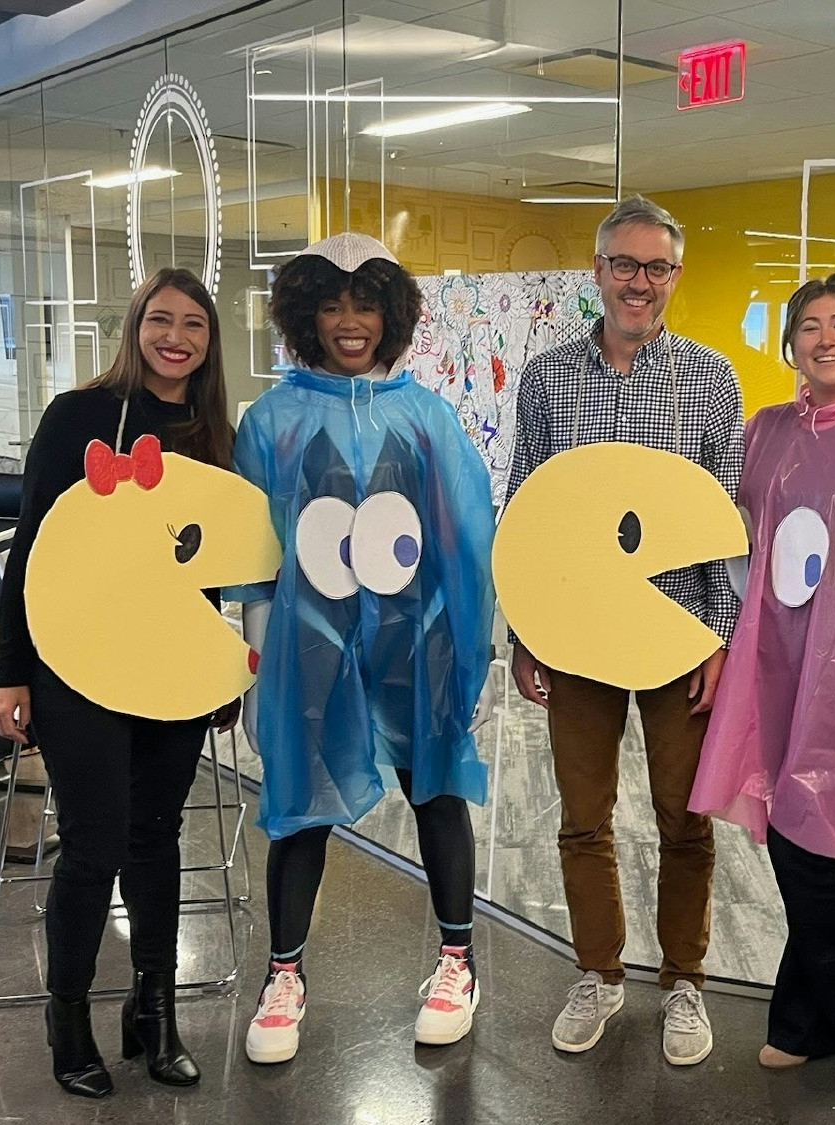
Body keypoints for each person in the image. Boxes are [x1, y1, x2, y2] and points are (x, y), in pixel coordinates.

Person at [229, 233, 495, 1065]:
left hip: (416, 644)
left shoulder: (425, 416)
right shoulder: (271, 420)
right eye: (333, 304)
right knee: (298, 807)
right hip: (308, 650)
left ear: (393, 312)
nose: (350, 322)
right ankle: (284, 974)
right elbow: (254, 558)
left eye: (366, 304)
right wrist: (259, 665)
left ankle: (457, 958)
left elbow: (466, 540)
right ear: (305, 314)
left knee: (436, 789)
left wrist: (469, 653)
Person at [0, 268, 236, 1098]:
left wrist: (218, 668)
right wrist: (9, 671)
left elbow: (208, 571)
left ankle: (153, 1015)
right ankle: (69, 1021)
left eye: (194, 324)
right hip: (75, 665)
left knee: (155, 838)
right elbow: (31, 550)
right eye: (161, 320)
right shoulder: (78, 416)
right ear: (134, 326)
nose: (177, 337)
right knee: (94, 845)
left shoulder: (211, 431)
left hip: (169, 665)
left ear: (209, 339)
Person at [507, 195, 743, 1066]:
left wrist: (720, 636)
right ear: (598, 271)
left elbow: (727, 523)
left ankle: (685, 979)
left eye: (656, 267)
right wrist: (525, 628)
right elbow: (525, 509)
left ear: (675, 276)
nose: (639, 282)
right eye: (624, 264)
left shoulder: (712, 379)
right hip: (575, 635)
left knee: (685, 815)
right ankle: (599, 973)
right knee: (583, 816)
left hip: (678, 634)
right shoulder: (547, 378)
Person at [688, 272, 835, 1068]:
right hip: (777, 652)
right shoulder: (766, 429)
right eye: (810, 326)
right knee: (790, 817)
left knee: (808, 832)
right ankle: (806, 1021)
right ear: (789, 343)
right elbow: (739, 539)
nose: (826, 338)